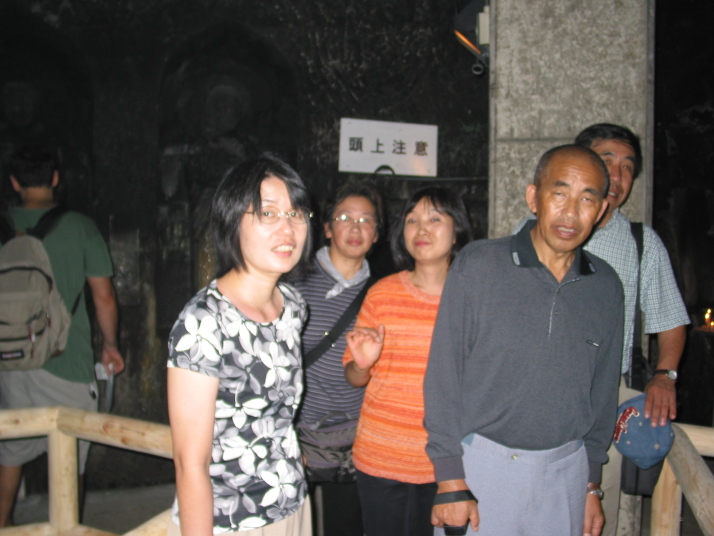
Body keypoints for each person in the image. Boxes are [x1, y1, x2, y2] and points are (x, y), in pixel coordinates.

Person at [425, 145, 624, 536]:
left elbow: (603, 391)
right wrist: (449, 478)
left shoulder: (605, 285)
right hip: (483, 469)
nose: (571, 213)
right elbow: (444, 375)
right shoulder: (480, 265)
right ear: (534, 197)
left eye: (587, 199)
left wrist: (591, 484)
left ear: (601, 210)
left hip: (568, 474)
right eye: (559, 193)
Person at [166, 154, 313, 535]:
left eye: (296, 213)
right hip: (232, 518)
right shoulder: (204, 322)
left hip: (292, 503)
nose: (288, 228)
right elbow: (190, 463)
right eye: (268, 213)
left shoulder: (292, 306)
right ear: (232, 220)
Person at [573, 124, 690, 536]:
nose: (617, 175)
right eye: (607, 160)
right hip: (537, 389)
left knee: (593, 514)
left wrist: (665, 375)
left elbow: (670, 319)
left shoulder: (641, 243)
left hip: (609, 394)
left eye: (627, 166)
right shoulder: (535, 229)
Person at [0, 145, 125, 527]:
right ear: (55, 178)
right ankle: (66, 529)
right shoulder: (80, 227)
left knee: (10, 458)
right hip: (66, 361)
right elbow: (103, 296)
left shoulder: (4, 227)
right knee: (69, 459)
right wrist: (110, 346)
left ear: (14, 182)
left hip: (11, 362)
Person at [342, 187, 472, 536]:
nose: (421, 229)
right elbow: (354, 376)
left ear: (457, 231)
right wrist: (362, 364)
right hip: (380, 457)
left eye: (434, 219)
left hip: (448, 465)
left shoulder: (473, 300)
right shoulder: (381, 294)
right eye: (412, 221)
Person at [294, 180, 384, 536]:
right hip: (297, 432)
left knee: (344, 527)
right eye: (345, 218)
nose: (356, 228)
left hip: (352, 440)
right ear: (328, 228)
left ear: (377, 234)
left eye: (366, 220)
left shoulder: (382, 293)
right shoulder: (294, 281)